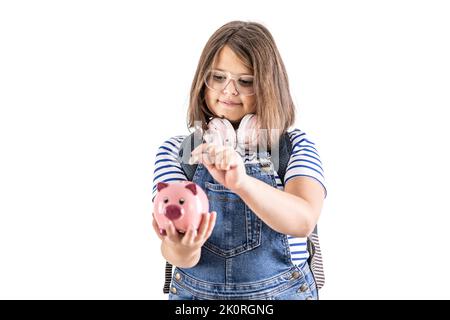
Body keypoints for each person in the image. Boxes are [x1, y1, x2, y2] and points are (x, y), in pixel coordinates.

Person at [152, 21, 327, 300]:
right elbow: (175, 251)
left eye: (245, 81)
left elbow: (303, 220)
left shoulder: (292, 147)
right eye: (218, 77)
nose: (229, 90)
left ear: (269, 87)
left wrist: (242, 183)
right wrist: (183, 247)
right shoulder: (179, 152)